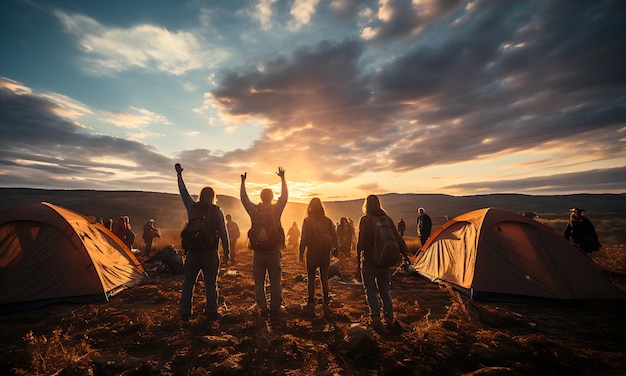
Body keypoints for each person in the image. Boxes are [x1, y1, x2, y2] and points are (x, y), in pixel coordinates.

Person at [175, 163, 230, 322]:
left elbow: (183, 192)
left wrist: (179, 175)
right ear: (213, 196)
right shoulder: (216, 211)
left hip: (192, 251)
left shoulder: (192, 207)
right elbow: (224, 232)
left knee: (188, 283)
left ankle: (185, 313)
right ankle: (212, 312)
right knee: (211, 284)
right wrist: (227, 251)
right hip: (210, 253)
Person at [357, 195, 410, 330]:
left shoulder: (365, 219)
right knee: (385, 290)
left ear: (366, 205)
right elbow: (398, 238)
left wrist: (358, 257)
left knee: (370, 290)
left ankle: (375, 317)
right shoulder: (387, 219)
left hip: (369, 260)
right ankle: (389, 317)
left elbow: (361, 241)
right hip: (385, 262)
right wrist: (405, 255)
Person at [240, 166, 288, 317]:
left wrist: (243, 182)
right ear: (271, 197)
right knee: (275, 281)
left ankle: (262, 307)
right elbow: (285, 197)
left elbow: (244, 198)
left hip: (258, 252)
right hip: (273, 250)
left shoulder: (254, 210)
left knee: (259, 282)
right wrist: (282, 178)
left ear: (261, 197)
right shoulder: (276, 209)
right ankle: (275, 307)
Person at [299, 198, 338, 312]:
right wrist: (336, 250)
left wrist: (301, 253)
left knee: (311, 280)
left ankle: (311, 302)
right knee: (324, 279)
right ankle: (326, 302)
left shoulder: (307, 221)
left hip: (312, 253)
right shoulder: (327, 221)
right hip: (325, 254)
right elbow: (334, 236)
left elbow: (304, 238)